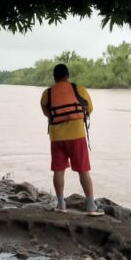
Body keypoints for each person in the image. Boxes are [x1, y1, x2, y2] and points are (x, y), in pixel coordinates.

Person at [40, 64, 104, 216]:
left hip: (57, 138)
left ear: (54, 77)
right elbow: (89, 108)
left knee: (58, 170)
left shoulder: (47, 93)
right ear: (68, 76)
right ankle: (91, 206)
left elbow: (47, 112)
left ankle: (61, 204)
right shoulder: (79, 89)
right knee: (83, 170)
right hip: (77, 136)